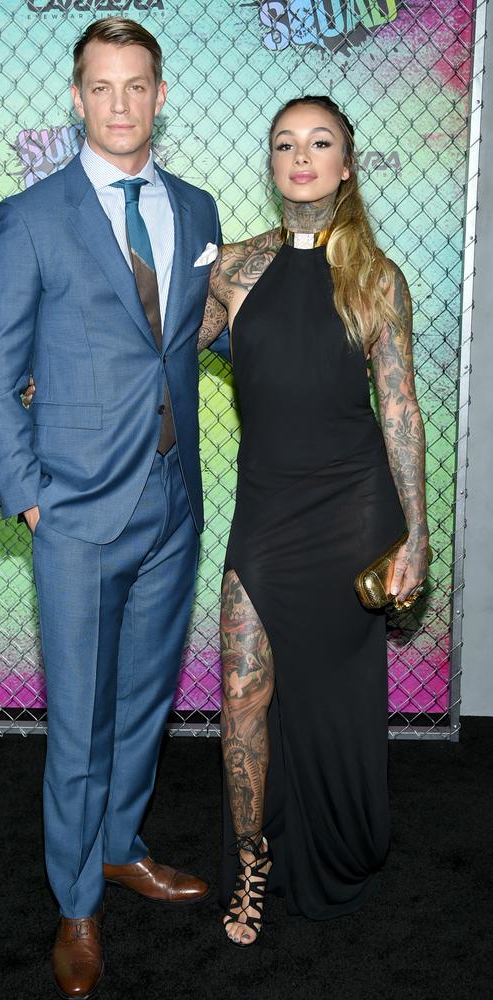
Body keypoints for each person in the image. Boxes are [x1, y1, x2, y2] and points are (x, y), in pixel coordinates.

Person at [0, 18, 227, 998]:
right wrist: (31, 499)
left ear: (160, 95)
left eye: (136, 85)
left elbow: (199, 338)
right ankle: (76, 902)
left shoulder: (197, 210)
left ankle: (121, 844)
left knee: (142, 702)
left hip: (172, 506)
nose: (119, 103)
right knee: (76, 716)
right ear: (76, 99)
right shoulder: (25, 219)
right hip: (74, 513)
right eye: (101, 87)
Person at [198, 95, 430, 946]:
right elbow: (159, 349)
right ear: (273, 162)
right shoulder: (232, 269)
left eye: (320, 142)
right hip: (266, 508)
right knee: (239, 696)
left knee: (332, 700)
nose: (302, 156)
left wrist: (418, 532)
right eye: (286, 143)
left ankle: (336, 843)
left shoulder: (377, 277)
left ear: (346, 164)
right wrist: (70, 377)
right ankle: (253, 860)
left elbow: (399, 410)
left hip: (352, 507)